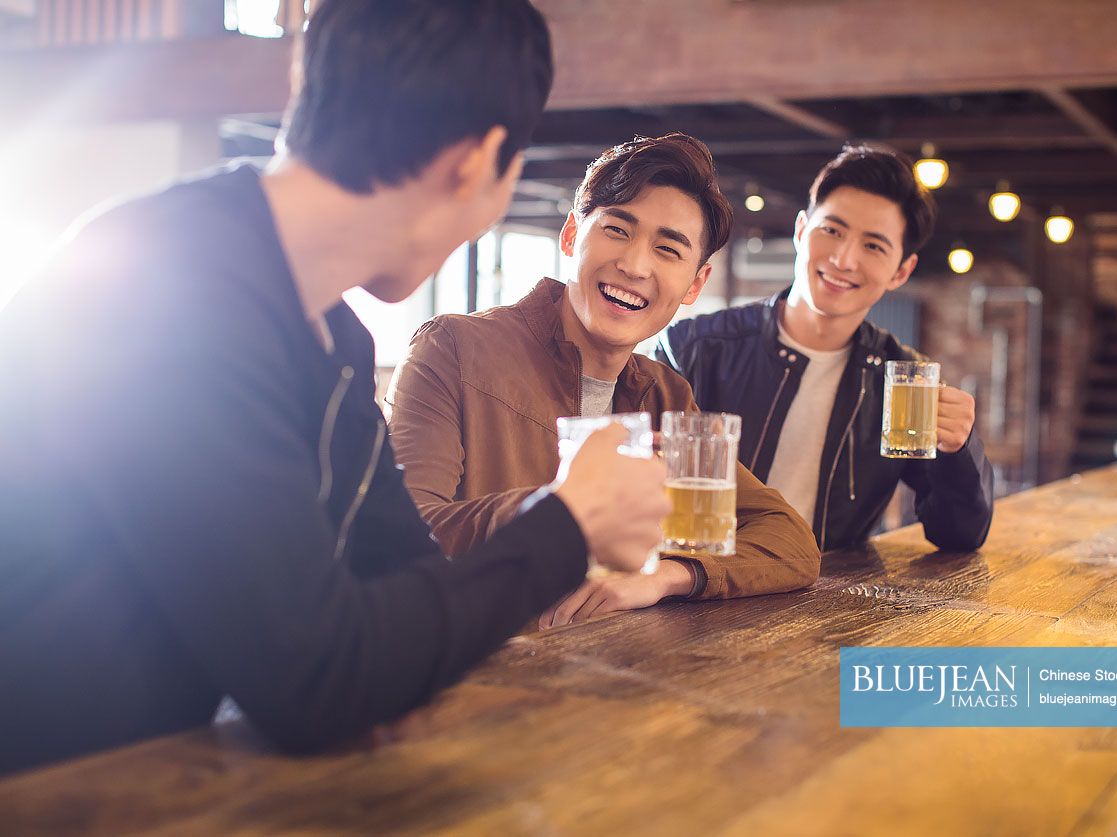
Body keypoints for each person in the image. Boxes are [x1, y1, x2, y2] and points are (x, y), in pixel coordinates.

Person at [0, 0, 671, 776]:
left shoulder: (333, 336)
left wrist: (529, 532)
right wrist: (568, 524)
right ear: (476, 160)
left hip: (143, 783)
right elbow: (318, 678)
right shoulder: (165, 283)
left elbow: (398, 582)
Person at [386, 133, 820, 630]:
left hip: (603, 682)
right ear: (572, 236)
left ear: (694, 285)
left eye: (668, 249)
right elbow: (401, 539)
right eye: (617, 229)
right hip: (470, 675)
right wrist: (565, 510)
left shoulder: (666, 394)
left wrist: (667, 575)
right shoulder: (453, 349)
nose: (635, 265)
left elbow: (790, 541)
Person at [656, 146, 994, 552]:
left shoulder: (904, 380)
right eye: (831, 230)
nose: (843, 258)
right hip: (698, 583)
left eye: (873, 246)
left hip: (823, 598)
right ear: (801, 231)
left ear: (901, 271)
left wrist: (959, 450)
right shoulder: (694, 347)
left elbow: (958, 535)